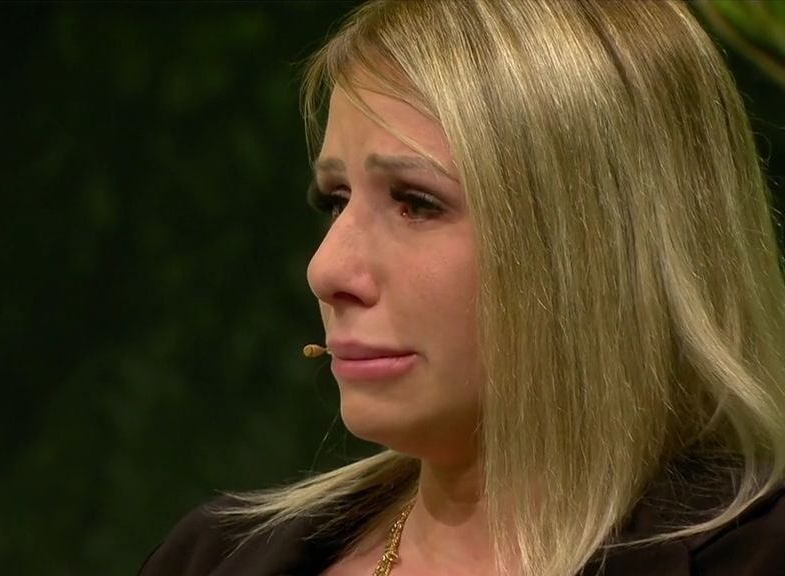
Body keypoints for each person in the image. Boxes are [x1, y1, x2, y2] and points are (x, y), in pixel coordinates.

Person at [139, 1, 785, 574]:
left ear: (603, 239)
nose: (326, 271)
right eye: (335, 199)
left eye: (416, 202)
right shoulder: (213, 556)